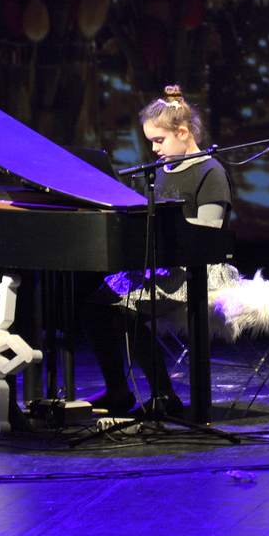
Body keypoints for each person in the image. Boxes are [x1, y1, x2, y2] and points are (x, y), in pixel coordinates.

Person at [80, 85, 238, 418]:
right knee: (94, 307)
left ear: (183, 132)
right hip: (166, 263)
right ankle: (118, 390)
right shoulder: (159, 174)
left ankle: (164, 394)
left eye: (159, 140)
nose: (153, 149)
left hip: (200, 268)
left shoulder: (210, 172)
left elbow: (208, 233)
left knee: (126, 310)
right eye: (151, 141)